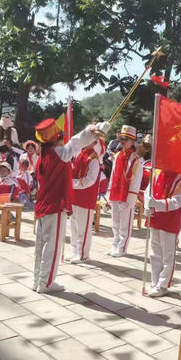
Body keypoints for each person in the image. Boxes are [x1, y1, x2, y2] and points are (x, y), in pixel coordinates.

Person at [34, 118, 111, 293]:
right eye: (61, 136)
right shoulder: (58, 153)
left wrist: (93, 131)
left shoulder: (43, 156)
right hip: (55, 204)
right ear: (56, 139)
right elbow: (75, 143)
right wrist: (93, 129)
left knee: (41, 245)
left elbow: (74, 143)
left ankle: (38, 279)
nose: (63, 139)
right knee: (51, 246)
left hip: (43, 203)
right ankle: (46, 283)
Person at [144, 170, 181, 297]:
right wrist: (148, 204)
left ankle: (163, 285)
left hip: (170, 219)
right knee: (155, 251)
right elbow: (148, 191)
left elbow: (177, 201)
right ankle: (155, 280)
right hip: (155, 216)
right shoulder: (157, 172)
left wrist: (157, 203)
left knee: (168, 254)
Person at [67, 132, 106, 264]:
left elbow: (90, 180)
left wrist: (72, 184)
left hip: (85, 196)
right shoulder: (80, 154)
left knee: (83, 227)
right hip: (75, 195)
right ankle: (75, 250)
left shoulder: (93, 158)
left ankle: (83, 254)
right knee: (74, 225)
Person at [107, 125, 143, 257]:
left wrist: (132, 197)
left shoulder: (136, 159)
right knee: (115, 222)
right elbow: (113, 174)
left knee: (125, 223)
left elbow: (136, 180)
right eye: (121, 138)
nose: (123, 141)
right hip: (116, 192)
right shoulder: (117, 156)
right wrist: (110, 190)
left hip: (127, 194)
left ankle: (122, 247)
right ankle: (115, 244)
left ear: (133, 141)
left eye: (126, 139)